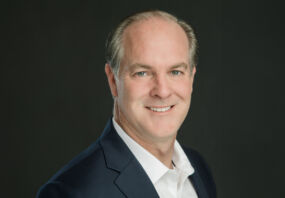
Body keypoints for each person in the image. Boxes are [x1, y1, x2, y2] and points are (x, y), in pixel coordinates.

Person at [36, 10, 216, 198]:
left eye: (176, 72)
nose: (162, 91)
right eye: (142, 73)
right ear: (113, 81)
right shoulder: (70, 193)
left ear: (191, 78)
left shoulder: (199, 169)